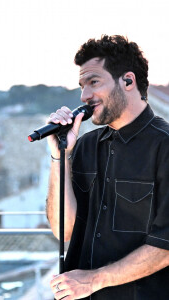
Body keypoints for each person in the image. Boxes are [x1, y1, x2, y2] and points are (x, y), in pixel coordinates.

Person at [46, 35, 169, 299]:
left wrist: (93, 281)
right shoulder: (84, 146)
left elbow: (166, 247)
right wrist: (60, 157)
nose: (84, 96)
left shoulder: (165, 147)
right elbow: (63, 230)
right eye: (81, 85)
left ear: (127, 81)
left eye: (93, 82)